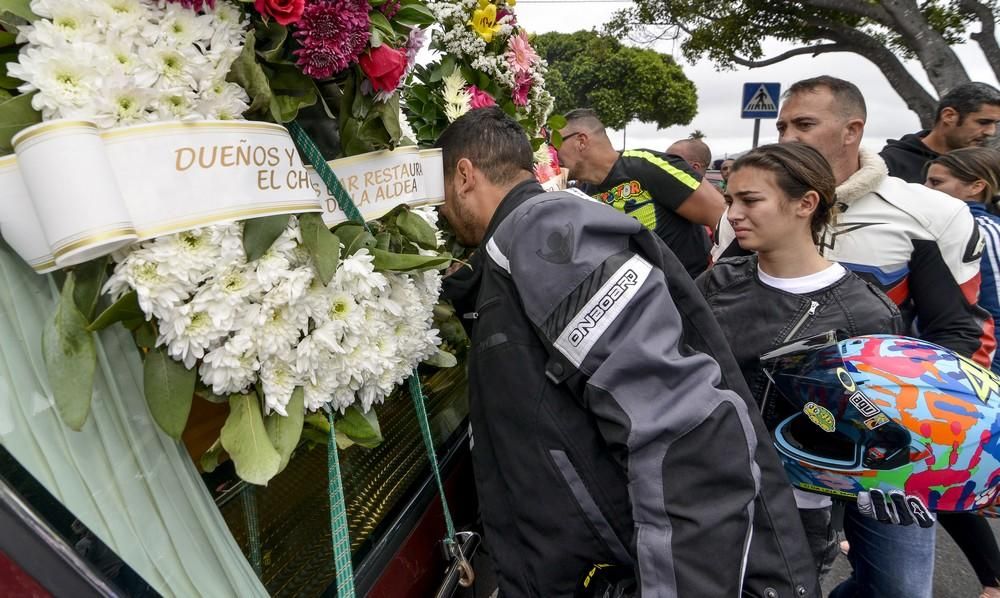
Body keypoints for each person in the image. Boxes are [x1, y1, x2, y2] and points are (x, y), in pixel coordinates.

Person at [436, 106, 820, 597]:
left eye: (441, 188)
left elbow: (686, 436)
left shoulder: (546, 231)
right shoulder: (521, 242)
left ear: (465, 174)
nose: (440, 208)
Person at [713, 75, 996, 598]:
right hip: (766, 461)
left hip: (885, 443)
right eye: (781, 124)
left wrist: (904, 416)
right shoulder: (746, 213)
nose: (788, 135)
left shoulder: (931, 213)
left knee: (900, 590)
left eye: (804, 124)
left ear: (852, 130)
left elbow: (962, 331)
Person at [697, 142, 903, 581]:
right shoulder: (718, 281)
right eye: (731, 199)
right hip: (701, 494)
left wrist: (876, 488)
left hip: (797, 513)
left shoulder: (866, 313)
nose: (732, 213)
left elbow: (877, 426)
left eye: (750, 200)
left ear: (806, 203)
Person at [925, 146, 1000, 598]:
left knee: (946, 475)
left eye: (938, 183)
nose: (927, 191)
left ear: (977, 187)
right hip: (967, 364)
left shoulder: (977, 230)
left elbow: (986, 312)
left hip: (976, 368)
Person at [557, 108, 725, 277]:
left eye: (555, 145)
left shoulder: (645, 165)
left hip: (687, 293)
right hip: (639, 298)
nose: (552, 155)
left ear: (581, 141)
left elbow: (721, 216)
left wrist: (711, 282)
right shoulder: (582, 194)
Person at [881, 82, 1000, 183]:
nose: (991, 132)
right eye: (983, 122)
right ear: (949, 116)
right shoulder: (888, 166)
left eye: (996, 123)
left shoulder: (985, 166)